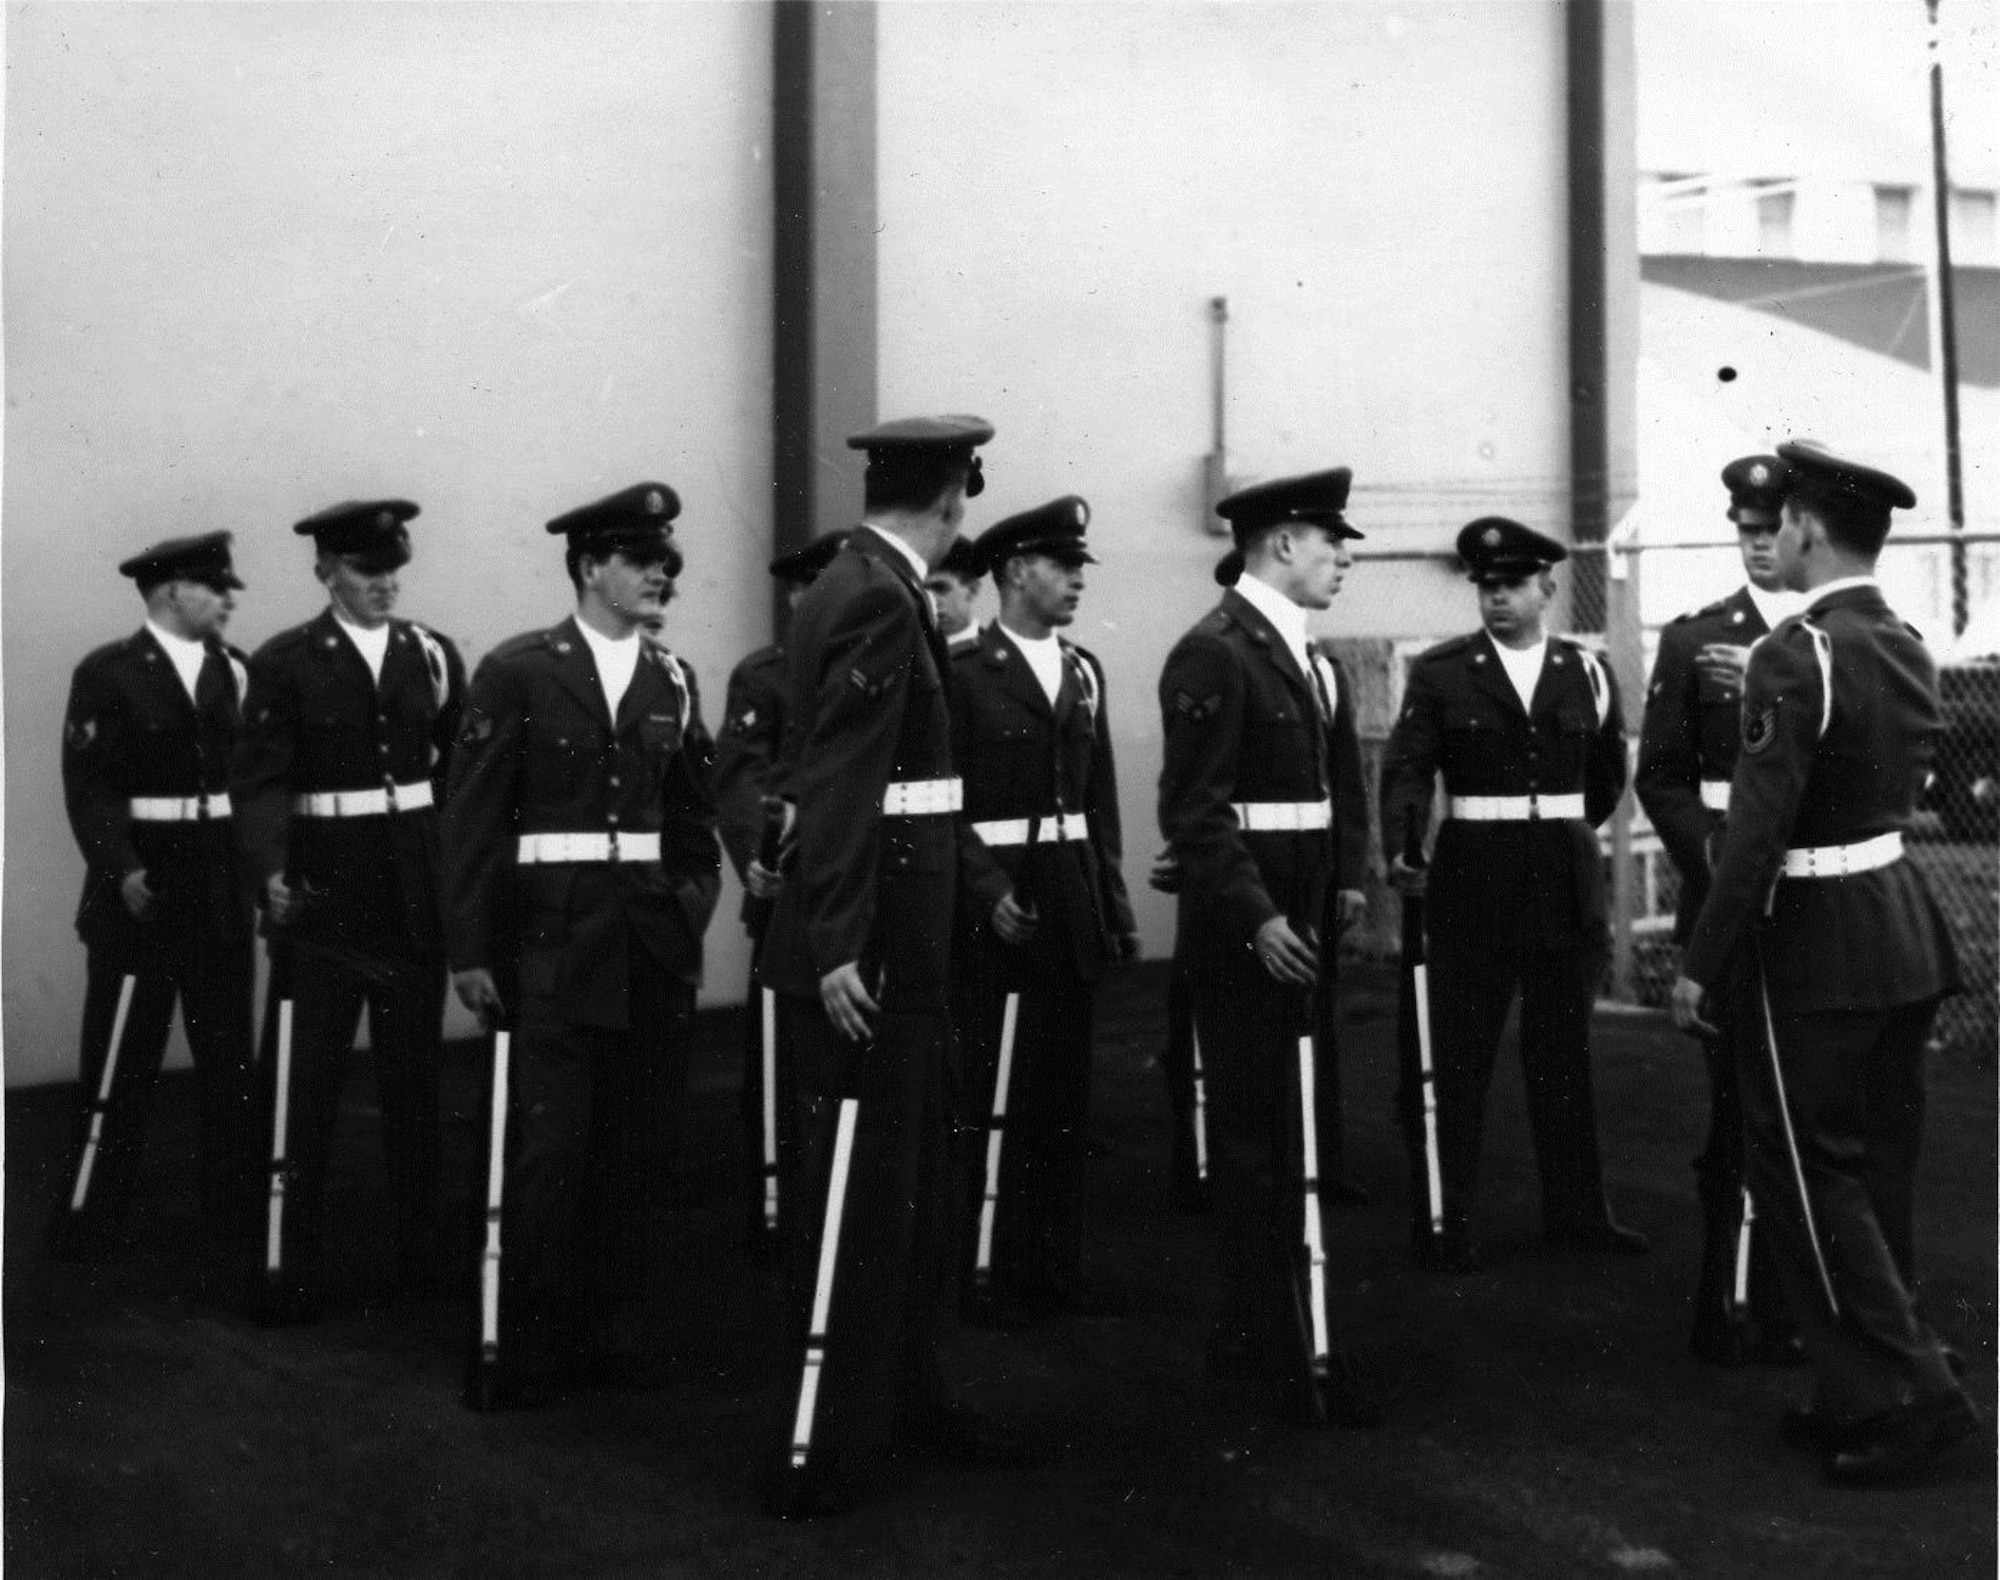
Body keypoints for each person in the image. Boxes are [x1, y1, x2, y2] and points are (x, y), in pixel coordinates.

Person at [1671, 441, 1976, 1487]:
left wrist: (1697, 963)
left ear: (1802, 528)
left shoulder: (1795, 651)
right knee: (1869, 1171)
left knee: (1805, 1174)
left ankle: (1918, 1394)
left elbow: (1754, 836)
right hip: (1894, 923)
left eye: (1783, 519)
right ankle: (1856, 1388)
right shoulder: (1897, 638)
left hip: (1810, 939)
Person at [757, 414, 1022, 1518]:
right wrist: (836, 942)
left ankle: (903, 1399)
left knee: (906, 1185)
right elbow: (844, 782)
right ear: (957, 494)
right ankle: (825, 1438)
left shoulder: (863, 582)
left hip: (903, 936)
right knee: (869, 1195)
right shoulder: (874, 593)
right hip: (876, 948)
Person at [442, 481, 720, 1407]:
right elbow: (473, 821)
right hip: (550, 944)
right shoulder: (519, 671)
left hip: (646, 941)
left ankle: (608, 1333)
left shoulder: (672, 680)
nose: (660, 577)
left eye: (667, 564)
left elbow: (692, 817)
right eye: (643, 561)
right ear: (591, 566)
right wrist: (470, 952)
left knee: (634, 1148)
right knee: (549, 1153)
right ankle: (522, 1348)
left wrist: (690, 906)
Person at [1157, 467, 1380, 1430]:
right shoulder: (1214, 654)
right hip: (1250, 928)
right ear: (1283, 543)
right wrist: (1257, 916)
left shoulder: (1309, 655)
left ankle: (1278, 1314)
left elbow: (1339, 786)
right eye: (1332, 541)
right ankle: (1264, 1326)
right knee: (1254, 1134)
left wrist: (1347, 879)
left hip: (1305, 915)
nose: (1342, 559)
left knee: (1297, 1122)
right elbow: (1196, 811)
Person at [1380, 517, 1642, 1273]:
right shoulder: (1441, 672)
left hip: (1563, 882)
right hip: (1473, 881)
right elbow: (1408, 767)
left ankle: (1579, 1214)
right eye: (1487, 587)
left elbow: (1603, 777)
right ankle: (1445, 1216)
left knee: (1563, 1055)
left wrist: (1557, 834)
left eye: (1513, 586)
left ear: (1547, 590)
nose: (1497, 600)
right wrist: (1407, 843)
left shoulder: (1584, 671)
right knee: (1457, 1059)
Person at [234, 501, 465, 1323]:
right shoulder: (286, 662)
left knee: (415, 1088)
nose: (385, 587)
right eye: (368, 573)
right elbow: (258, 781)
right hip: (323, 901)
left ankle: (420, 1263)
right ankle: (284, 1266)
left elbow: (457, 772)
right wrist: (269, 873)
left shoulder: (430, 655)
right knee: (305, 1089)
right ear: (326, 569)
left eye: (393, 571)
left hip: (409, 899)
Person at [950, 496, 1138, 1327]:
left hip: (1067, 898)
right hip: (992, 903)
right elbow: (934, 805)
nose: (1076, 585)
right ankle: (975, 1261)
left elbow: (1099, 803)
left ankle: (1052, 1263)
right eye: (1064, 569)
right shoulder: (959, 672)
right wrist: (987, 891)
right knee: (983, 1089)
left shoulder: (1085, 669)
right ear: (1017, 571)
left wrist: (1114, 905)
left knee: (1063, 1095)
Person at [49, 532, 258, 1269]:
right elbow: (90, 789)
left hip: (218, 887)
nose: (229, 599)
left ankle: (232, 1220)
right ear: (171, 592)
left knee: (231, 1061)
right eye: (215, 587)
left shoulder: (235, 672)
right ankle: (91, 1216)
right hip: (144, 889)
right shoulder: (108, 674)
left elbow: (253, 785)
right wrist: (123, 867)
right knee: (121, 1063)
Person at [1637, 455, 1803, 1367]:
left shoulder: (1832, 639)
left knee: (1806, 1106)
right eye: (1745, 530)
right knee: (1733, 1102)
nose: (1759, 544)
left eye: (1773, 528)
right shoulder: (1695, 637)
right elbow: (1659, 774)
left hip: (1814, 895)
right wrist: (1708, 849)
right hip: (1725, 900)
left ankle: (1786, 1298)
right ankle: (1721, 1293)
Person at [713, 530, 848, 1256]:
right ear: (798, 597)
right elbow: (738, 778)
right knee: (778, 1058)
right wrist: (755, 856)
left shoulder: (863, 672)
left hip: (853, 886)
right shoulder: (766, 676)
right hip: (788, 885)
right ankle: (772, 1190)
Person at [923, 534, 985, 652]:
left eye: (940, 589)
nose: (931, 600)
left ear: (972, 590)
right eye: (922, 590)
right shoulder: (901, 653)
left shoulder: (1003, 658)